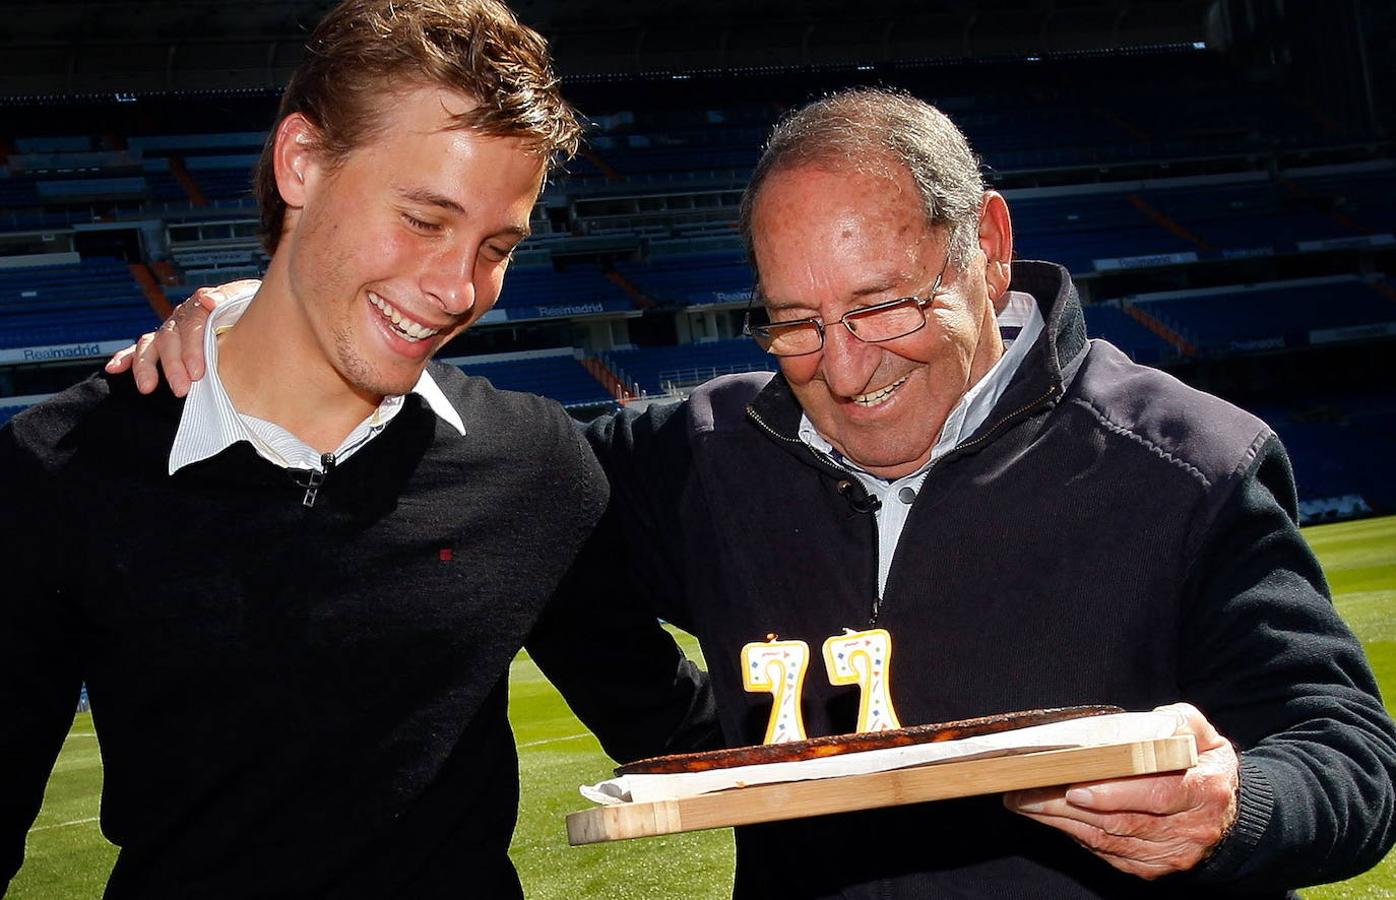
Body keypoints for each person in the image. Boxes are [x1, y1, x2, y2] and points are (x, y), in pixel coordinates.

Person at [114, 89, 1396, 898]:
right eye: (792, 326)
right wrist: (271, 324)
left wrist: (1241, 808)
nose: (842, 370)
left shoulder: (1190, 463)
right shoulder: (702, 451)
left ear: (986, 246)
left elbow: (1349, 754)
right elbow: (479, 466)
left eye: (884, 306)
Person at [0, 1, 715, 896]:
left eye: (497, 246)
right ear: (301, 163)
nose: (459, 288)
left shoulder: (532, 464)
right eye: (424, 219)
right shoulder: (62, 467)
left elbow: (681, 732)